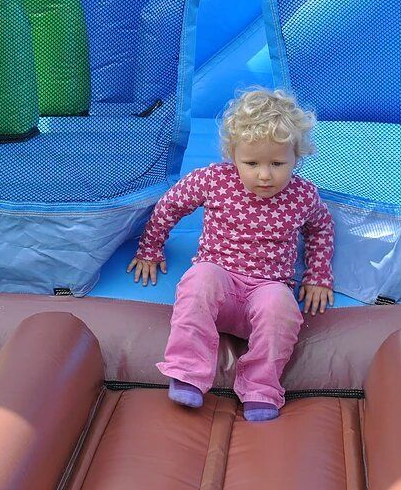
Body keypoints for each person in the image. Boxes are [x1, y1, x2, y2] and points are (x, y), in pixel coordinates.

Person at [127, 88, 334, 422]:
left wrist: (318, 275)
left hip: (267, 288)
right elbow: (171, 205)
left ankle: (260, 389)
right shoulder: (215, 180)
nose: (264, 175)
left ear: (296, 157)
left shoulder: (303, 195)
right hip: (220, 279)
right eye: (251, 163)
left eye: (277, 163)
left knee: (281, 308)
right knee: (199, 280)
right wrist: (150, 248)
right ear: (233, 155)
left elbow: (321, 228)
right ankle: (188, 373)